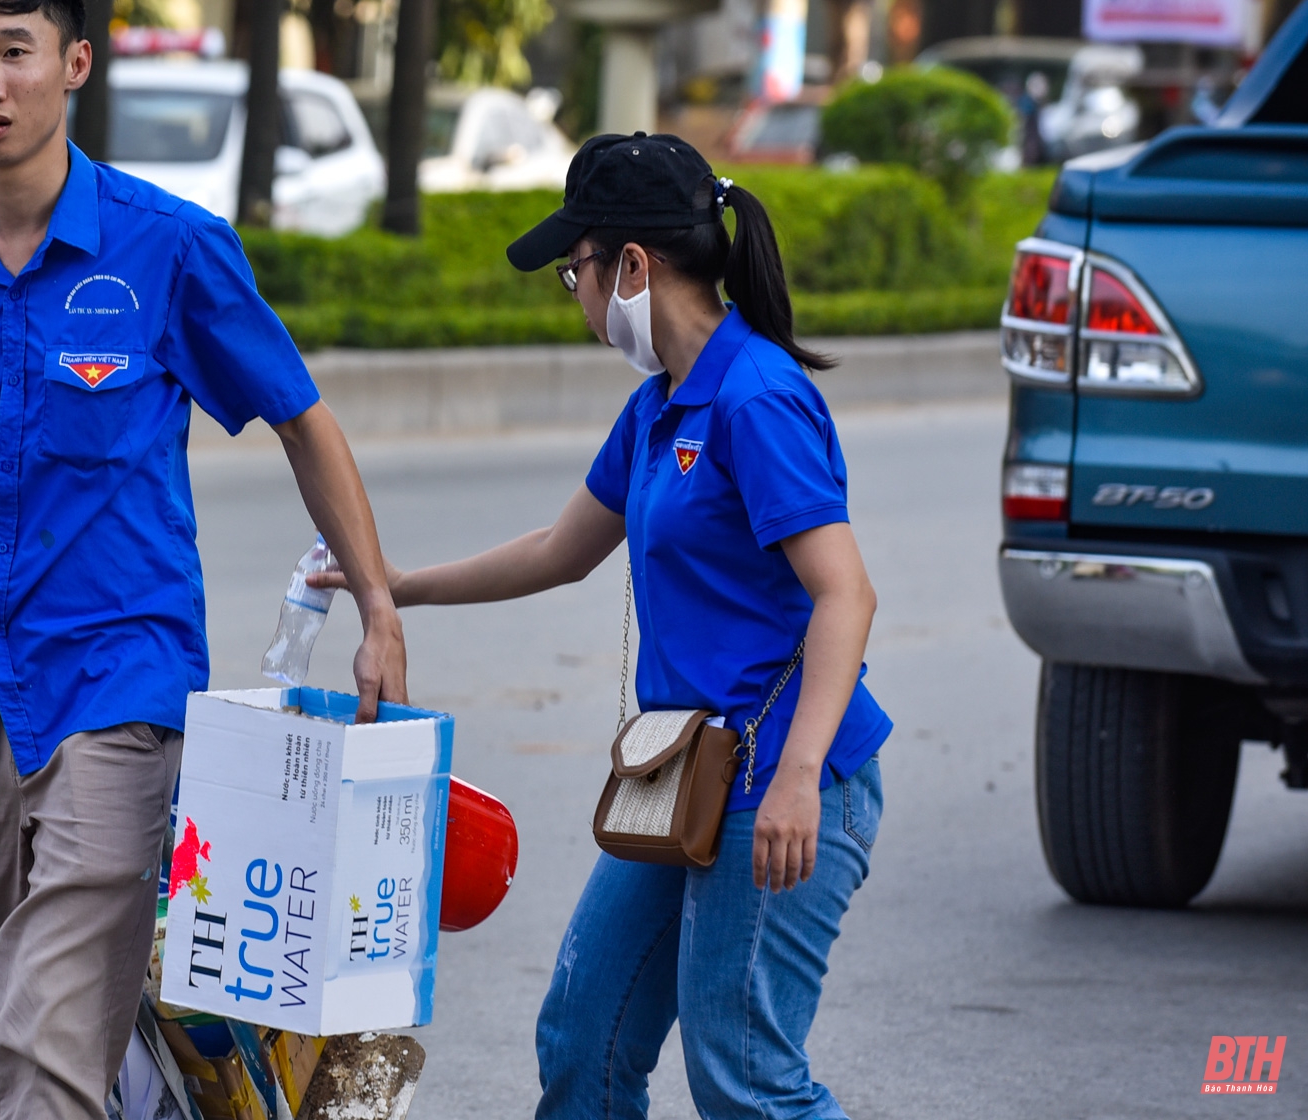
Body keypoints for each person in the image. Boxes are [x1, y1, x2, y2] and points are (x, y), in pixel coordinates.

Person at [0, 0, 407, 1120]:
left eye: (14, 52)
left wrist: (376, 601)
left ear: (74, 64)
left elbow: (300, 418)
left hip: (118, 681)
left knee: (45, 1041)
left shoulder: (167, 246)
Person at [317, 134, 891, 1119]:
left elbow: (846, 592)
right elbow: (560, 547)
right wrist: (397, 585)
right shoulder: (658, 406)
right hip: (684, 779)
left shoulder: (755, 398)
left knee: (745, 1074)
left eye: (572, 269)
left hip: (785, 776)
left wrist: (798, 777)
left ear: (632, 265)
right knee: (584, 1039)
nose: (575, 293)